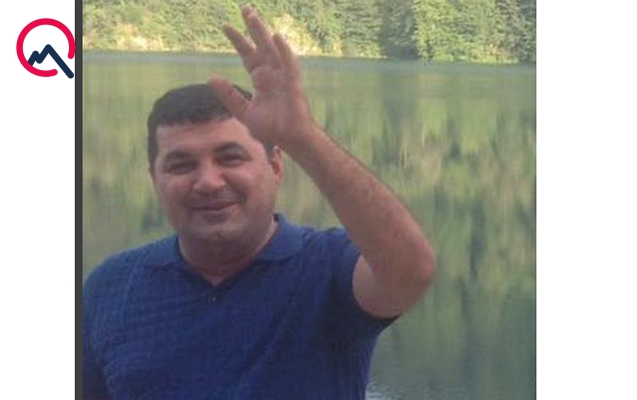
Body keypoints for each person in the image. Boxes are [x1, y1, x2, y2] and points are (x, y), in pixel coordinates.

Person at [82, 5, 435, 400]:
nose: (208, 182)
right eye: (181, 165)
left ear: (275, 166)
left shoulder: (328, 270)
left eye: (230, 158)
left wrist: (302, 136)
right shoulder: (110, 288)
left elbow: (411, 271)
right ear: (154, 178)